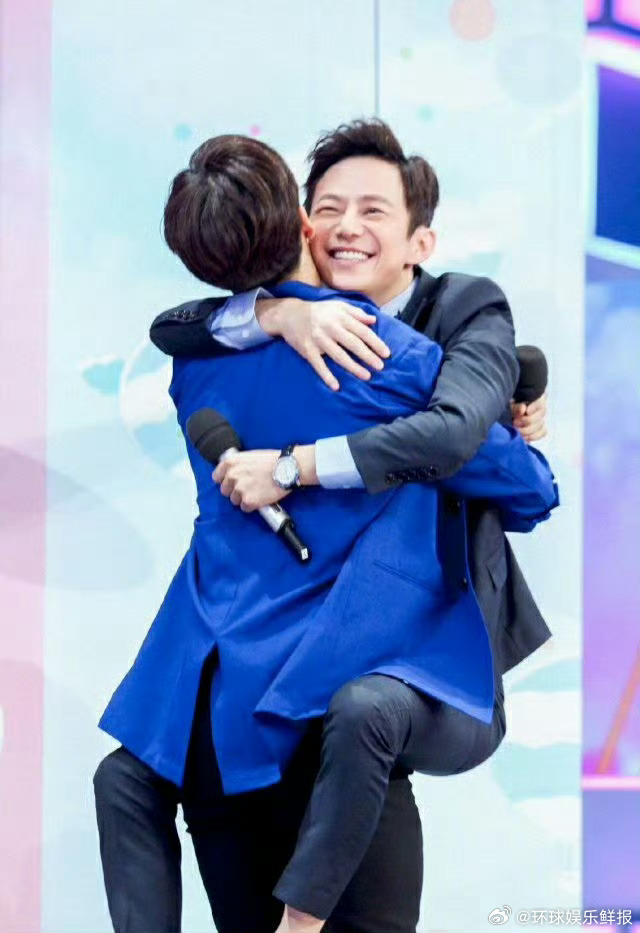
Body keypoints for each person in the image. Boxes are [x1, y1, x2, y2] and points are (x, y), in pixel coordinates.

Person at [95, 126, 553, 933]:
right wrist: (508, 437)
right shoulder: (381, 354)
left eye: (372, 209)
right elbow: (526, 486)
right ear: (305, 222)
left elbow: (178, 328)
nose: (347, 226)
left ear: (420, 241)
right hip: (329, 714)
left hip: (231, 723)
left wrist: (278, 338)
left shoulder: (194, 366)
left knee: (127, 780)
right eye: (333, 207)